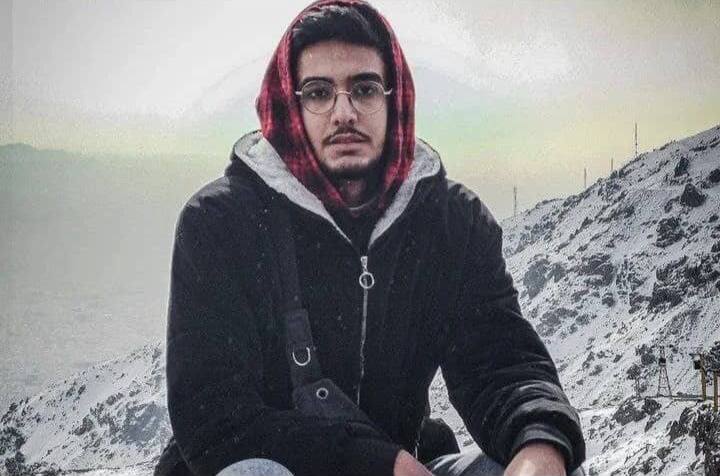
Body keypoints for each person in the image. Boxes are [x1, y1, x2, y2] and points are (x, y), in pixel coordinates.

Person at [162, 1, 586, 475]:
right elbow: (216, 418)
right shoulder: (220, 223)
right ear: (290, 103)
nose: (343, 112)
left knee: (551, 463)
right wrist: (376, 463)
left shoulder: (449, 223)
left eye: (364, 89)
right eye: (318, 92)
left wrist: (539, 444)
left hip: (405, 463)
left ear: (393, 98)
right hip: (286, 467)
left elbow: (499, 362)